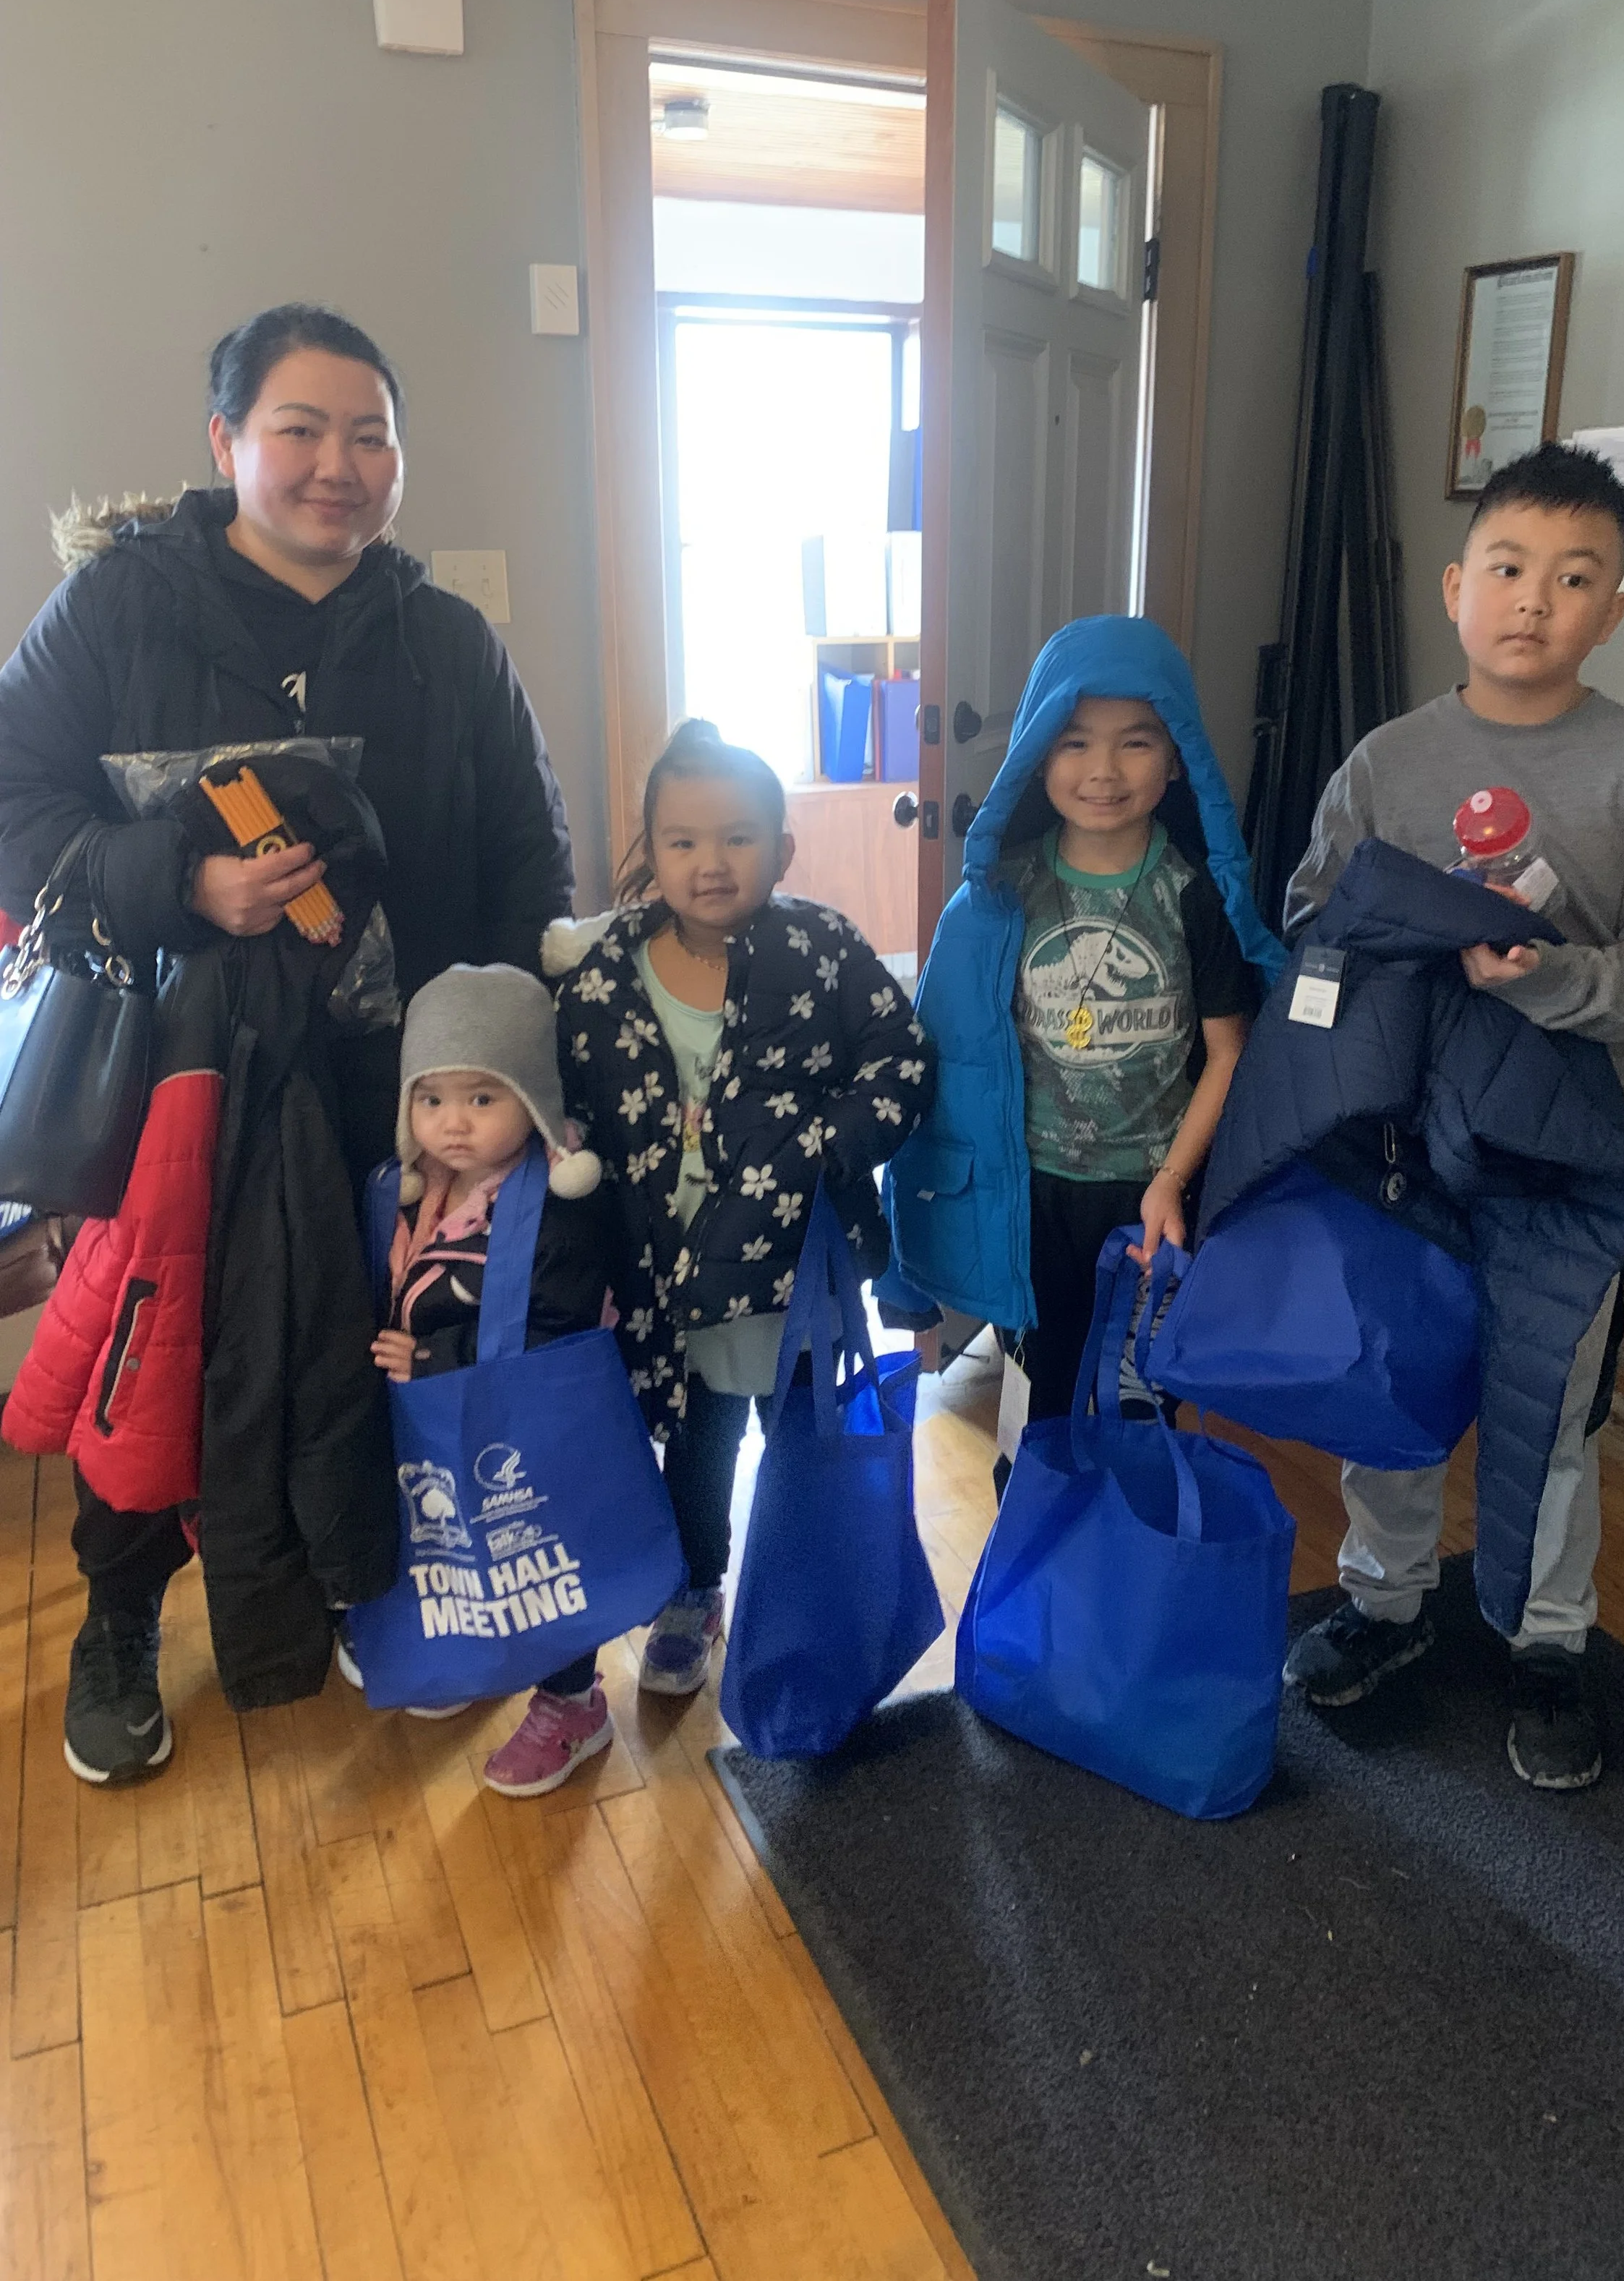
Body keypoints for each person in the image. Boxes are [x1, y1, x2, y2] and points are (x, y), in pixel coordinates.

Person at [0, 303, 573, 1781]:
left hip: (391, 1096)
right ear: (225, 441)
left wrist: (508, 1070)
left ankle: (348, 1575)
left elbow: (528, 855)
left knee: (363, 1349)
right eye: (300, 429)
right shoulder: (114, 612)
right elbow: (14, 802)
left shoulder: (446, 641)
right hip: (165, 1092)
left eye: (371, 435)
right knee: (160, 1354)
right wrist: (179, 881)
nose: (339, 464)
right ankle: (120, 1614)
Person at [1280, 442, 1624, 1789]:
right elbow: (1310, 918)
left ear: (1616, 607)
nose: (1536, 599)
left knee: (1556, 1409)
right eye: (1511, 566)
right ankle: (1385, 1599)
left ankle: (1548, 1641)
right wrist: (1402, 937)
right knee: (1394, 1375)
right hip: (1402, 1148)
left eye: (1576, 577)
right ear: (1456, 586)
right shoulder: (1388, 761)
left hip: (1564, 1161)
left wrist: (1553, 977)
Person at [543, 718, 933, 1697]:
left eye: (737, 838)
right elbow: (569, 1097)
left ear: (783, 849)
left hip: (794, 1266)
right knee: (698, 1444)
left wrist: (822, 1146)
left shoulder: (822, 949)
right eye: (682, 841)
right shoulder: (606, 972)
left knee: (803, 1441)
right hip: (666, 1270)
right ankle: (694, 1592)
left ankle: (802, 1604)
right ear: (650, 851)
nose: (709, 863)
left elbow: (902, 1060)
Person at [886, 614, 1283, 1436]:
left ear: (1176, 756)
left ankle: (1127, 1520)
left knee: (1140, 1404)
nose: (1103, 770)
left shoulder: (1194, 895)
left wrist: (1170, 1180)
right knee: (1036, 1402)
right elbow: (948, 1065)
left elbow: (1229, 1053)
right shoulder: (1000, 898)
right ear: (1038, 755)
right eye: (1074, 742)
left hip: (1151, 1195)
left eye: (1135, 742)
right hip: (1027, 1198)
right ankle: (1029, 1512)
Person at [347, 960, 623, 1796]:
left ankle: (573, 1701)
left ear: (531, 1098)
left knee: (545, 1556)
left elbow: (560, 1327)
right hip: (445, 1423)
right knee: (463, 1546)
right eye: (431, 1099)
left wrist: (437, 1358)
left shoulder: (559, 1206)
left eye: (481, 1097)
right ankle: (479, 1654)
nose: (454, 1123)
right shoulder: (410, 1190)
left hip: (533, 1428)